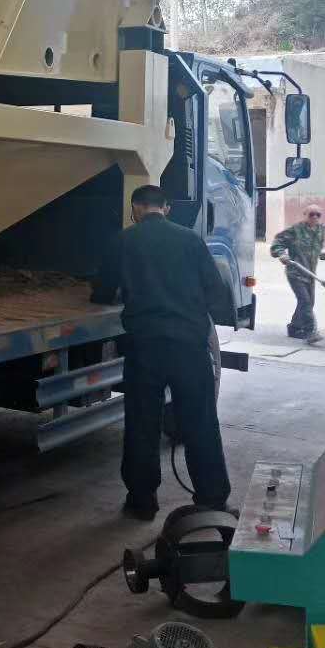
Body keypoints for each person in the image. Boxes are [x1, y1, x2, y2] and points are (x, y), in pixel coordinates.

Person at [91, 184, 234, 521]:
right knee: (200, 422)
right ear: (166, 208)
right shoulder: (191, 240)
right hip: (189, 347)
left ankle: (142, 501)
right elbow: (216, 292)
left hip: (145, 347)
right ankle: (212, 499)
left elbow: (102, 293)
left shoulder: (123, 241)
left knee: (141, 424)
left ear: (135, 209)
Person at [270, 205, 325, 344]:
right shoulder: (295, 230)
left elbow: (315, 247)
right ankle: (310, 331)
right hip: (295, 272)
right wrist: (282, 254)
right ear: (305, 214)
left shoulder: (321, 230)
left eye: (318, 215)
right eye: (311, 214)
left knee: (308, 302)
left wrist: (321, 254)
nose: (315, 217)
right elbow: (277, 242)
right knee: (305, 301)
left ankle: (294, 328)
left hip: (310, 273)